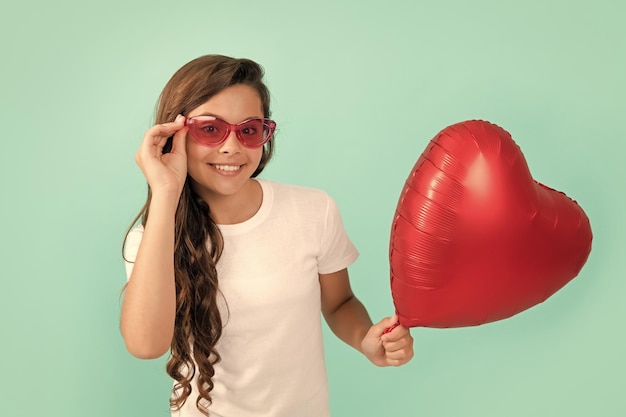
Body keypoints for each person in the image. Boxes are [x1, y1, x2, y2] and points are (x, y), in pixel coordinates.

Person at [120, 54, 414, 417]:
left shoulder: (313, 210)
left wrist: (365, 340)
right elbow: (146, 344)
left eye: (248, 130)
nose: (231, 147)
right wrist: (166, 192)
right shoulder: (151, 240)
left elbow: (339, 303)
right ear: (173, 135)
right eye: (210, 129)